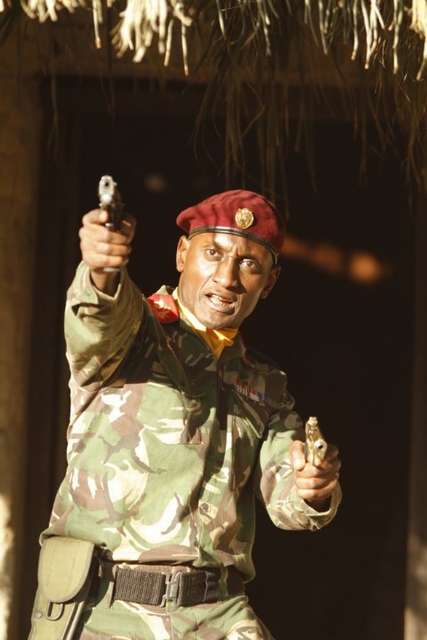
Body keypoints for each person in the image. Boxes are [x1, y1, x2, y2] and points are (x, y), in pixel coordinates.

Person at [28, 189, 342, 640]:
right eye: (212, 253)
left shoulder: (265, 384)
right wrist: (101, 270)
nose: (227, 277)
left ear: (269, 282)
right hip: (104, 610)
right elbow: (99, 316)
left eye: (249, 264)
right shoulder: (135, 333)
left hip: (215, 614)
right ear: (181, 254)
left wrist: (313, 487)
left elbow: (288, 498)